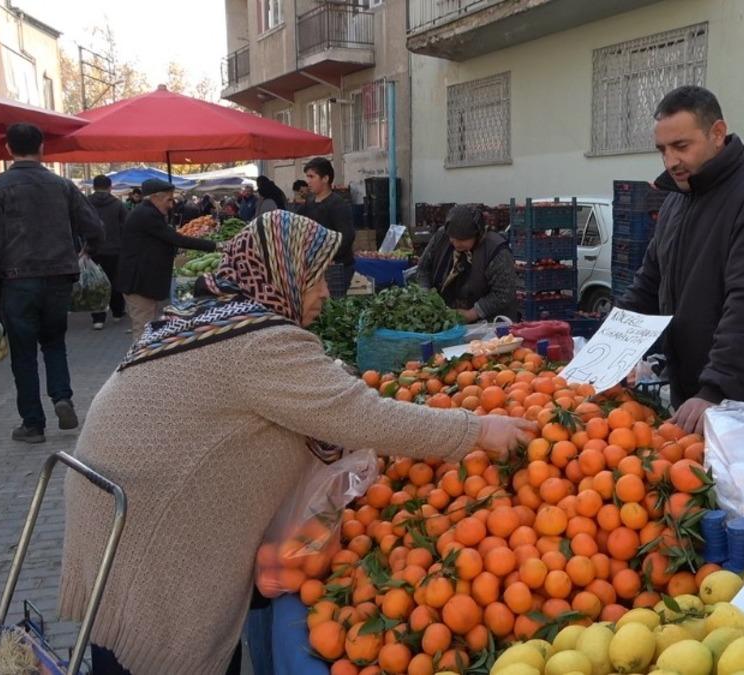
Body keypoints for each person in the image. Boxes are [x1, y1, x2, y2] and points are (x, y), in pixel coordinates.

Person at [59, 210, 535, 675]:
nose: (327, 294)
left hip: (113, 503)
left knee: (120, 649)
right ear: (279, 275)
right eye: (316, 279)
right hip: (152, 527)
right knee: (154, 647)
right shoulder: (258, 341)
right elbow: (360, 416)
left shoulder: (210, 311)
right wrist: (476, 430)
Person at [618, 86, 744, 434]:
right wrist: (608, 353)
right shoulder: (678, 200)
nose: (670, 161)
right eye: (663, 150)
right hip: (694, 400)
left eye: (681, 146)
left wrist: (716, 390)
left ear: (717, 133)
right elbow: (648, 283)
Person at [0, 123, 105, 444]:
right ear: (42, 148)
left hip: (17, 281)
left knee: (23, 353)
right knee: (54, 342)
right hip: (59, 279)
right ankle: (62, 397)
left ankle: (32, 423)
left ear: (9, 150)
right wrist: (85, 250)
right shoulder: (63, 186)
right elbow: (95, 227)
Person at [117, 178, 219, 339]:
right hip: (138, 282)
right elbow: (177, 239)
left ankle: (147, 360)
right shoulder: (147, 214)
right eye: (169, 200)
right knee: (143, 330)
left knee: (147, 327)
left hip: (143, 281)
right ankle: (142, 362)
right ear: (155, 197)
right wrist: (215, 246)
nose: (172, 205)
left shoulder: (148, 212)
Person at [417, 204, 518, 322]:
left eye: (461, 240)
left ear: (476, 235)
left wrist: (473, 313)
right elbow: (423, 268)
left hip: (488, 324)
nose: (455, 243)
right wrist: (426, 297)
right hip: (446, 319)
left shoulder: (496, 251)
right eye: (452, 238)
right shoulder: (441, 237)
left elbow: (504, 293)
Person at [298, 158, 355, 298]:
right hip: (314, 268)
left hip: (336, 269)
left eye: (312, 177)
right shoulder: (309, 203)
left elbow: (347, 236)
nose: (308, 181)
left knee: (333, 310)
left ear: (325, 178)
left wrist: (330, 256)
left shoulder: (338, 205)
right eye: (307, 177)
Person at [86, 175, 129, 330]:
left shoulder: (86, 203)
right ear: (110, 187)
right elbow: (126, 227)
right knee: (115, 281)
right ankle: (117, 312)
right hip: (115, 250)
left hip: (92, 250)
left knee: (95, 283)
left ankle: (98, 319)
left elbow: (79, 224)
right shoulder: (118, 204)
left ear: (93, 187)